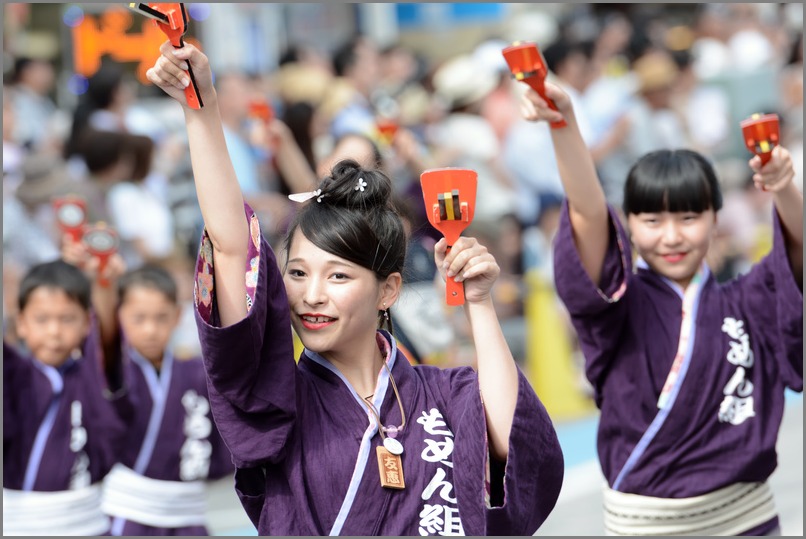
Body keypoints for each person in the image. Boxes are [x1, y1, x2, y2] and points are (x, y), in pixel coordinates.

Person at [145, 41, 563, 535]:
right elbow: (232, 248)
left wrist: (479, 301)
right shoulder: (276, 396)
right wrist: (203, 108)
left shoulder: (445, 392)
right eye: (298, 273)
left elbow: (511, 440)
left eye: (338, 275)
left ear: (388, 290)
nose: (312, 294)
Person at [520, 80, 802, 535]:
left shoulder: (748, 300)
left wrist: (785, 188)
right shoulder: (619, 303)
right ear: (628, 226)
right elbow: (588, 214)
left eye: (689, 218)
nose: (671, 237)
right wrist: (564, 125)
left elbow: (797, 253)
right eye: (652, 220)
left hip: (747, 521)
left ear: (716, 220)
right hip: (647, 526)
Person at [93, 264, 234, 536]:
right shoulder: (114, 372)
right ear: (117, 317)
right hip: (129, 512)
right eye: (139, 318)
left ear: (177, 315)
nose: (150, 329)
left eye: (161, 317)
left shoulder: (197, 373)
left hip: (188, 513)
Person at [3, 260, 126, 536]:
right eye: (42, 319)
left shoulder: (92, 376)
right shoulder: (11, 375)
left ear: (87, 322)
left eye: (67, 319)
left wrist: (104, 284)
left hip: (87, 526)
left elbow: (107, 340)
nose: (54, 331)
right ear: (21, 323)